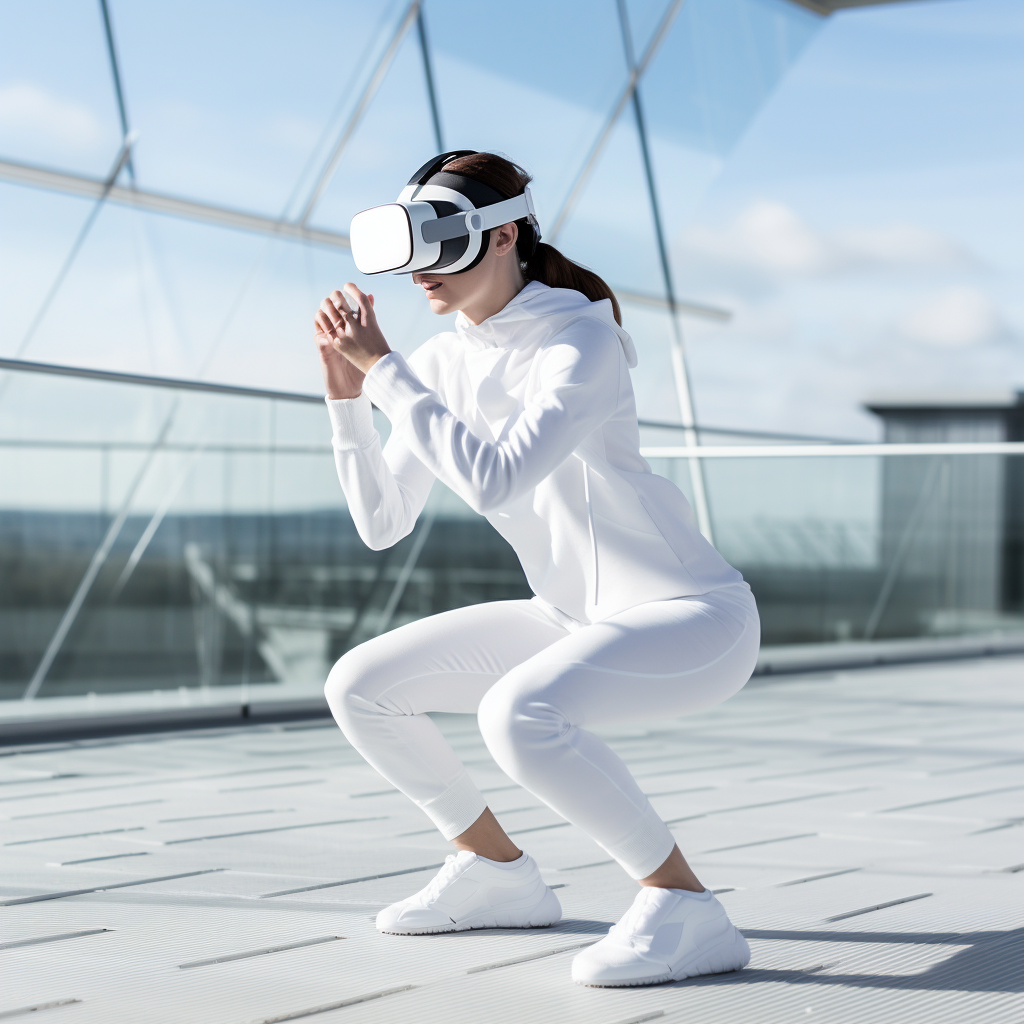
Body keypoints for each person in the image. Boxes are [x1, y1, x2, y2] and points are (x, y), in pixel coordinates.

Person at [313, 151, 760, 988]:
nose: (420, 272)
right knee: (360, 684)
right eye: (409, 249)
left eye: (439, 246)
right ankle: (495, 872)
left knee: (519, 712)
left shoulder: (580, 338)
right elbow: (383, 523)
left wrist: (383, 373)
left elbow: (496, 474)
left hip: (692, 614)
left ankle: (686, 906)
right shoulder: (441, 362)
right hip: (568, 613)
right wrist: (347, 401)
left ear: (504, 235)